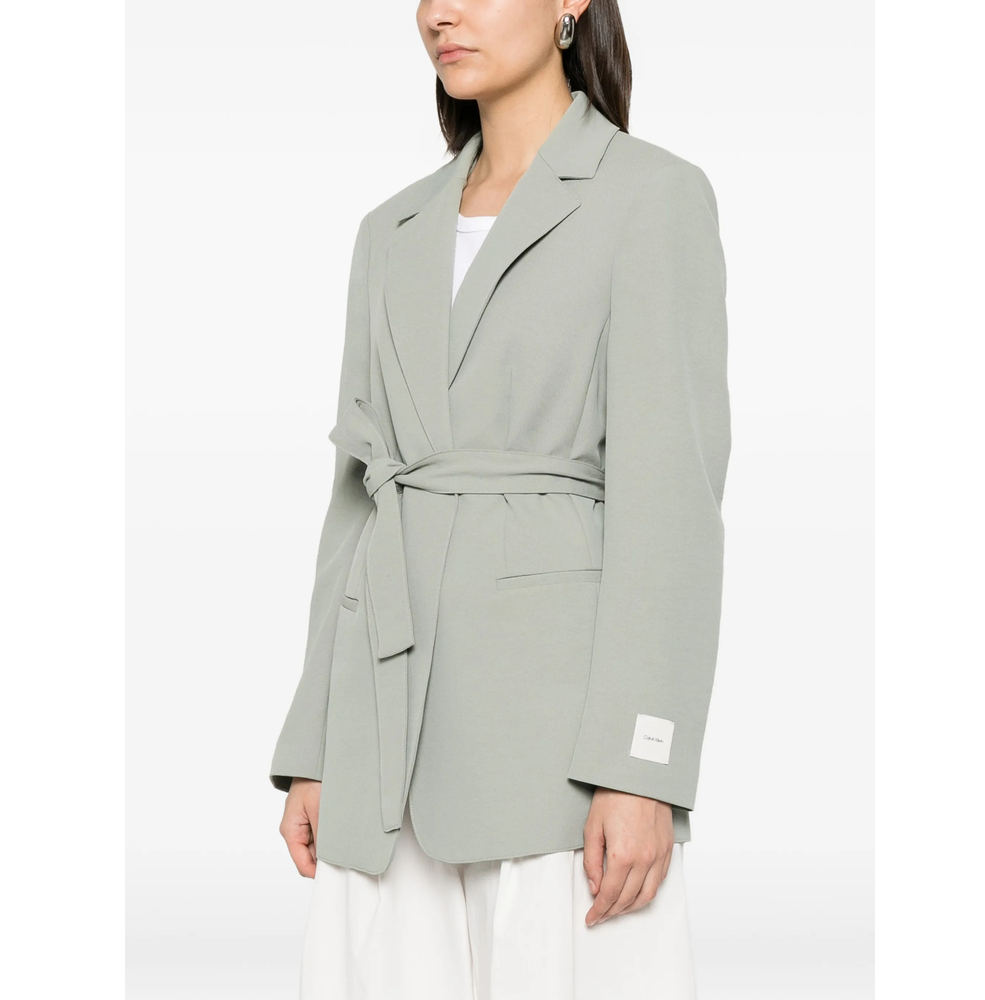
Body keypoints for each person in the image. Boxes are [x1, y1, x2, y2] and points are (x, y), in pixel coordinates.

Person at [270, 2, 730, 996]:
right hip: (383, 737)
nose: (441, 13)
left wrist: (641, 766)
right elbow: (354, 502)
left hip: (557, 750)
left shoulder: (651, 198)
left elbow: (673, 503)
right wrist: (314, 742)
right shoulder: (389, 232)